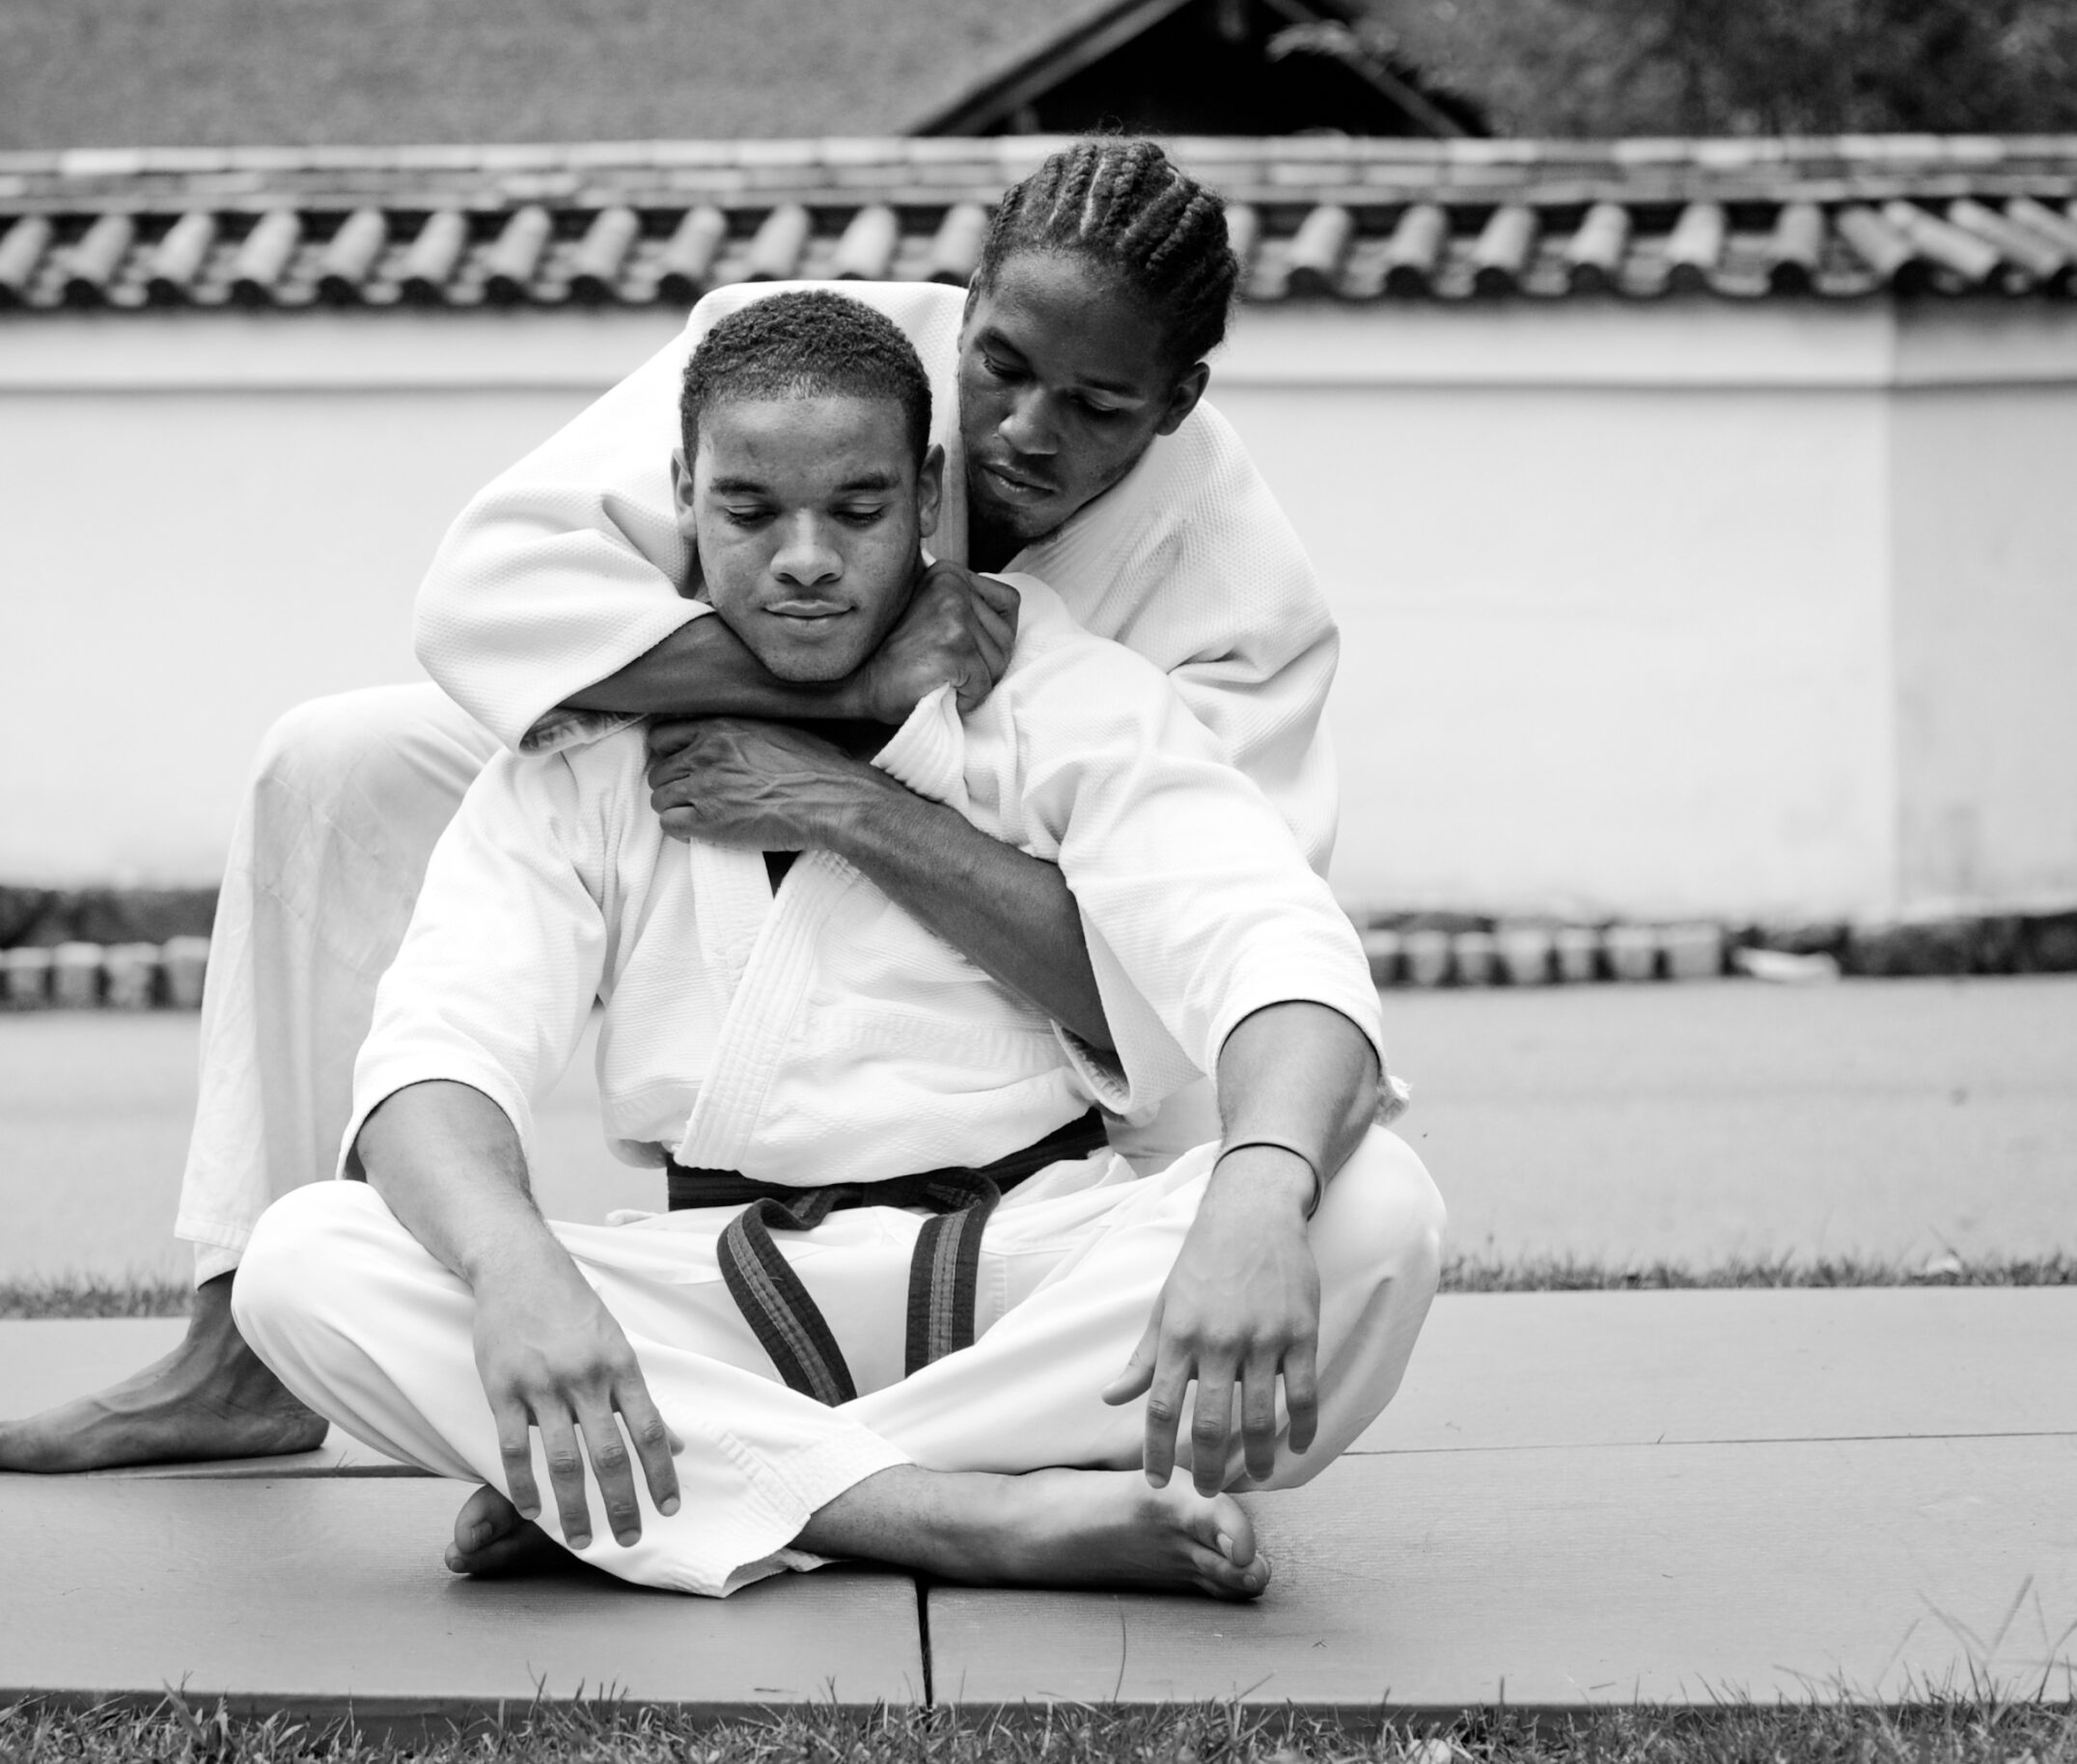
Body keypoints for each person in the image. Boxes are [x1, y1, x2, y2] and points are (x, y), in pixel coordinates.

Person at [0, 138, 1355, 1476]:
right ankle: (241, 1351)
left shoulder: (1240, 598)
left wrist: (848, 792)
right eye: (998, 368)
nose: (1023, 429)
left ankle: (881, 1440)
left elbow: (1174, 999)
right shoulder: (803, 363)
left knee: (1302, 1187)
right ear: (966, 307)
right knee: (336, 766)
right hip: (691, 800)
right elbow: (484, 599)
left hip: (1029, 1038)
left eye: (1098, 408)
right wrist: (841, 699)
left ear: (1177, 402)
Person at [230, 289, 1442, 1599]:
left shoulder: (1064, 698)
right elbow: (434, 1061)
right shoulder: (581, 763)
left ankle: (716, 1489)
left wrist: (1262, 1192)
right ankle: (965, 1513)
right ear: (684, 492)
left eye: (856, 512)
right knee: (307, 1261)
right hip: (716, 1297)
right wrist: (516, 1266)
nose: (805, 558)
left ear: (927, 499)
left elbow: (1269, 945)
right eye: (751, 513)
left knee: (1373, 1208)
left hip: (1029, 1277)